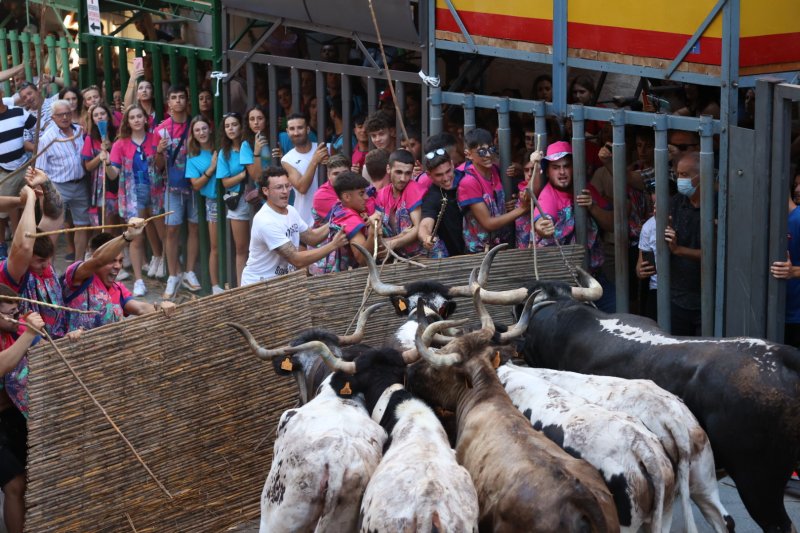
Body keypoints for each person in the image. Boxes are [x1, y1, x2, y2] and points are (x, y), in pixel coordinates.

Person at [532, 141, 611, 310]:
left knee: (617, 312)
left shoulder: (586, 189)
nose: (562, 172)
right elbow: (541, 222)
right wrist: (542, 227)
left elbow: (611, 224)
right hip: (560, 282)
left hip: (593, 276)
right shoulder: (548, 195)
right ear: (547, 171)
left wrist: (593, 208)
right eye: (556, 167)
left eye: (566, 166)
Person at [240, 167, 347, 285]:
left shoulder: (291, 210)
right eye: (279, 187)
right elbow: (297, 260)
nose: (285, 191)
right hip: (258, 285)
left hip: (280, 284)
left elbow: (312, 238)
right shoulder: (265, 221)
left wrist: (338, 219)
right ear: (266, 191)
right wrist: (333, 245)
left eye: (287, 186)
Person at [63, 228, 176, 331]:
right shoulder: (79, 277)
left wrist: (161, 309)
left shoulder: (118, 289)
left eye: (120, 261)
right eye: (111, 260)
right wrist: (128, 236)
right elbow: (98, 260)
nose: (118, 266)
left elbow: (140, 308)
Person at [107, 105, 166, 294]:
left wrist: (160, 152)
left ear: (145, 118)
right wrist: (107, 163)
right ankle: (139, 281)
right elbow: (113, 174)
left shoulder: (155, 137)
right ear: (127, 121)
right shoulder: (120, 144)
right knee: (136, 237)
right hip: (133, 195)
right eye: (132, 117)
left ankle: (170, 270)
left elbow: (161, 167)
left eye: (139, 116)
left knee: (164, 234)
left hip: (155, 191)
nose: (137, 120)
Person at [0, 286, 45, 533]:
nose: (17, 318)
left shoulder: (15, 330)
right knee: (14, 485)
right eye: (11, 314)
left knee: (30, 480)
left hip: (12, 416)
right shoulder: (22, 333)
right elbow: (3, 365)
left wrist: (73, 338)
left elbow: (49, 347)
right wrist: (28, 332)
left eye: (18, 313)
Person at [0, 175, 66, 338]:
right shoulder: (14, 271)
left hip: (59, 339)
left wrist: (45, 182)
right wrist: (30, 200)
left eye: (48, 258)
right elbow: (24, 245)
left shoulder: (42, 249)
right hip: (29, 347)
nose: (47, 264)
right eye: (40, 260)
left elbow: (55, 215)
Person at [155, 85, 201, 298]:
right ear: (169, 102)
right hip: (172, 187)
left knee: (194, 228)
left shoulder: (196, 125)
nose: (178, 101)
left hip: (195, 185)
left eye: (182, 96)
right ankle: (173, 275)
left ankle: (189, 271)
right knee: (171, 230)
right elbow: (158, 166)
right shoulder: (162, 130)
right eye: (174, 97)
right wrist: (159, 151)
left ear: (187, 100)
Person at [458, 128, 529, 253]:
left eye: (491, 149)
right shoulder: (469, 182)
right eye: (481, 151)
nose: (488, 155)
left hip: (500, 246)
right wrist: (522, 209)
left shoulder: (495, 170)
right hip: (479, 252)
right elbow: (488, 223)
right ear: (468, 154)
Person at [36, 99, 90, 261]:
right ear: (53, 117)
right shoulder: (47, 138)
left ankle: (78, 264)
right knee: (54, 228)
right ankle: (49, 267)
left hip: (81, 184)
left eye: (67, 113)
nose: (65, 117)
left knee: (82, 226)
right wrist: (43, 195)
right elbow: (40, 169)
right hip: (58, 187)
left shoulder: (80, 131)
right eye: (60, 115)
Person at [309, 171, 382, 274]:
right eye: (361, 193)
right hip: (343, 278)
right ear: (347, 197)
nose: (366, 197)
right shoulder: (350, 219)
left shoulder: (339, 207)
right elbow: (362, 259)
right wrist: (372, 233)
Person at [665, 151, 703, 336]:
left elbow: (715, 254)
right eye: (678, 174)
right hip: (677, 297)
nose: (680, 180)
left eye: (685, 175)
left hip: (707, 298)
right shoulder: (675, 203)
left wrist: (678, 250)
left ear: (701, 176)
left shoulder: (718, 205)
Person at [185, 116, 223, 295]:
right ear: (193, 134)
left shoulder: (220, 148)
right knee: (215, 245)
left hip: (231, 198)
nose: (201, 132)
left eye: (204, 128)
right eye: (197, 130)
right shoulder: (193, 158)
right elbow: (196, 185)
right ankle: (215, 286)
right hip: (212, 202)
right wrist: (211, 168)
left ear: (210, 129)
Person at [216, 112, 252, 286]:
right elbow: (225, 182)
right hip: (238, 200)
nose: (231, 129)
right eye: (227, 126)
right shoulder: (225, 153)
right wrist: (243, 175)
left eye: (234, 125)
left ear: (241, 126)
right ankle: (241, 287)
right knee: (241, 248)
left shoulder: (250, 145)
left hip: (257, 198)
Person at [0, 93, 36, 259]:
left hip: (24, 167)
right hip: (4, 172)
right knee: (1, 213)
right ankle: (2, 246)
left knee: (26, 207)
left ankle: (25, 244)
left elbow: (37, 128)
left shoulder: (19, 112)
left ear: (1, 94)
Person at [374, 150, 424, 258]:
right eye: (399, 172)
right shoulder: (382, 194)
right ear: (388, 169)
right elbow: (376, 235)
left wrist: (393, 243)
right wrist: (397, 238)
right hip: (402, 258)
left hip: (425, 256)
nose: (403, 179)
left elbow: (418, 228)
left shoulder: (413, 188)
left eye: (408, 173)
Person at [770, 171, 800, 348]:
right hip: (780, 314)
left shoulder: (798, 218)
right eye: (795, 185)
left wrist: (793, 271)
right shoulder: (774, 221)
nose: (797, 190)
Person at [419, 148, 465, 258]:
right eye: (439, 175)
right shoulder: (432, 197)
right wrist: (426, 238)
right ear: (429, 175)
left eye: (448, 171)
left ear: (452, 165)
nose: (445, 178)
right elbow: (425, 224)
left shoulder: (467, 179)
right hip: (456, 257)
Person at [281, 113, 325, 225]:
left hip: (329, 213)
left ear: (308, 129)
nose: (296, 133)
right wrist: (314, 161)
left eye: (300, 128)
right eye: (292, 129)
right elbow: (302, 187)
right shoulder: (287, 159)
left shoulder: (326, 148)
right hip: (304, 219)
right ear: (287, 132)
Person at [311, 154, 349, 227]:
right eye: (336, 174)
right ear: (328, 176)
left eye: (345, 173)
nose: (341, 177)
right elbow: (345, 216)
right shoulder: (321, 195)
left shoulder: (355, 186)